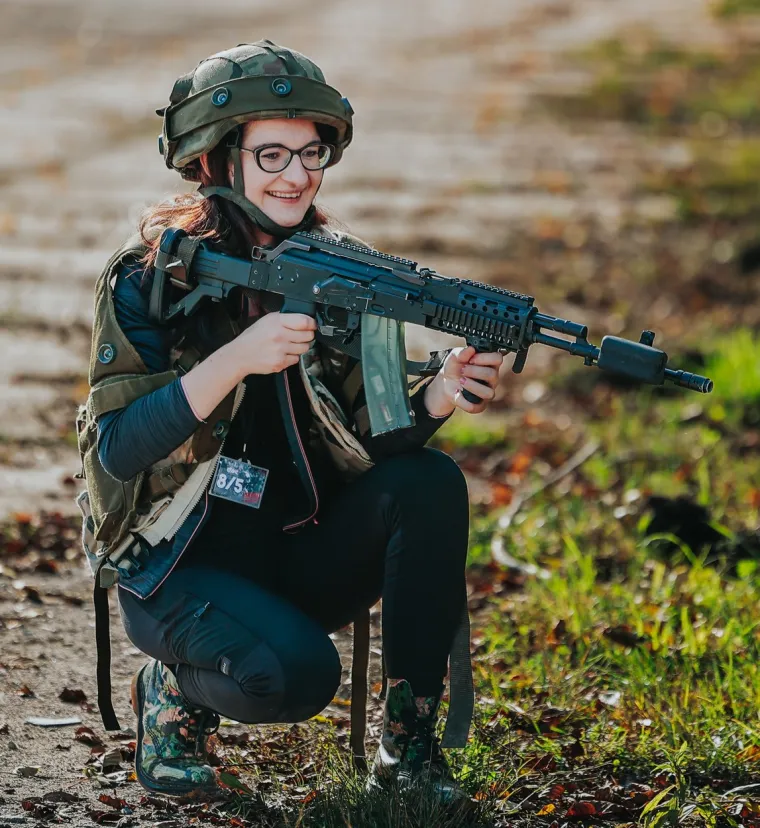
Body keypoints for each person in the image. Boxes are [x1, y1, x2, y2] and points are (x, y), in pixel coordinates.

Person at [85, 40, 505, 803]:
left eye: (312, 153)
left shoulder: (347, 272)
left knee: (428, 481)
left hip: (291, 547)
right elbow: (117, 450)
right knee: (297, 677)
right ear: (216, 160)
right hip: (177, 569)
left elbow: (372, 440)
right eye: (272, 154)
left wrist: (441, 393)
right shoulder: (150, 277)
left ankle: (408, 755)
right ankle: (172, 691)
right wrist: (235, 359)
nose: (298, 175)